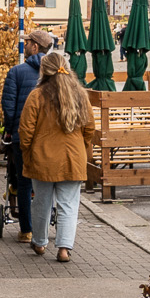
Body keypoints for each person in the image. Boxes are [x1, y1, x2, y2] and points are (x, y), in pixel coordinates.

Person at [17, 48, 96, 263]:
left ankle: (40, 242)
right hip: (73, 158)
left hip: (42, 157)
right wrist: (81, 146)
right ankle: (63, 249)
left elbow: (26, 130)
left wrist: (27, 152)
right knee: (68, 205)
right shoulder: (80, 94)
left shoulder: (37, 95)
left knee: (41, 203)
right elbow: (90, 127)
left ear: (44, 71)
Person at [1, 36, 43, 243]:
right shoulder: (57, 73)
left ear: (35, 46)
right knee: (45, 183)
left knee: (24, 182)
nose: (24, 46)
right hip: (47, 139)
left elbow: (9, 106)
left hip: (21, 136)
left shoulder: (16, 72)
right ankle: (43, 229)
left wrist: (9, 131)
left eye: (27, 43)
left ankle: (26, 230)